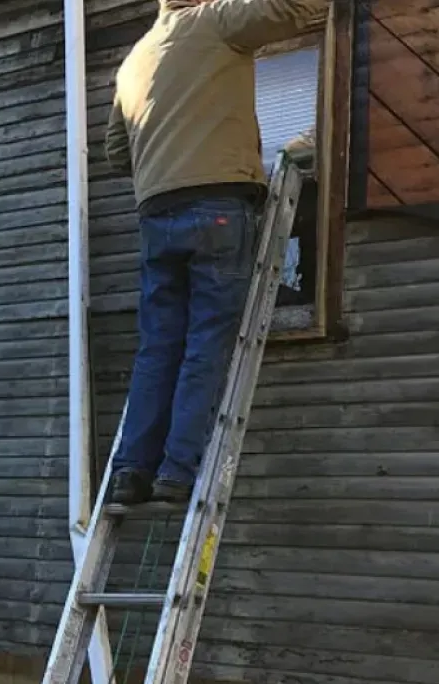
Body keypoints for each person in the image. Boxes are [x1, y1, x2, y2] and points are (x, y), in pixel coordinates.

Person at [104, 0, 328, 506]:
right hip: (218, 207)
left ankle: (132, 471)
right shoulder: (215, 19)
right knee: (206, 339)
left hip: (156, 216)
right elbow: (293, 9)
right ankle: (178, 472)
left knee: (158, 345)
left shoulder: (135, 58)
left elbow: (118, 153)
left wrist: (168, 156)